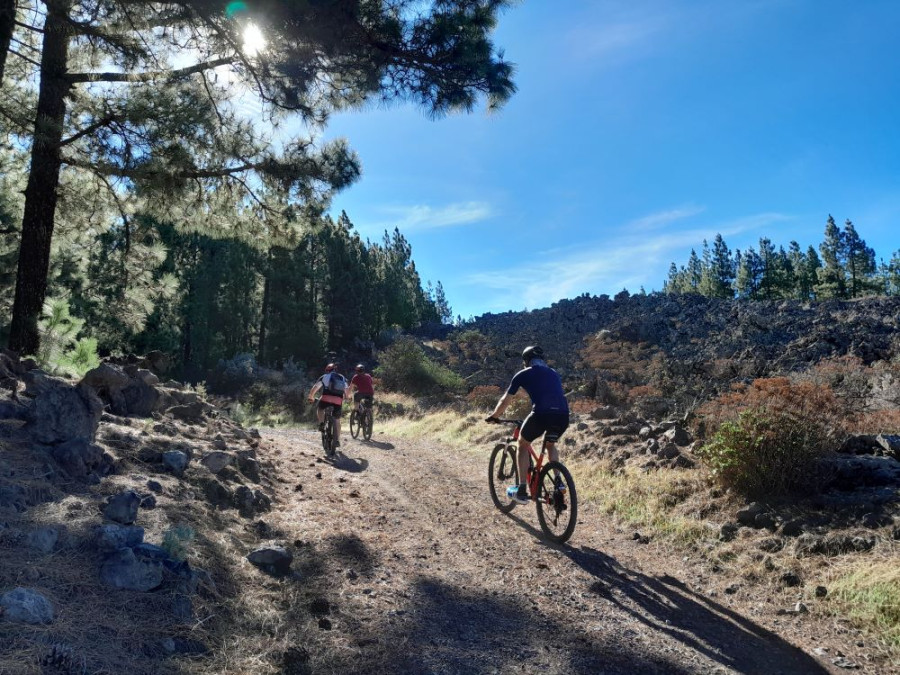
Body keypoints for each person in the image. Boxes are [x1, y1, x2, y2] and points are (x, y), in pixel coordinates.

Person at [486, 346, 569, 504]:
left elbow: (506, 400)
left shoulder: (524, 374)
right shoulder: (554, 373)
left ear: (526, 361)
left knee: (522, 444)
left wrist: (494, 416)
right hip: (563, 415)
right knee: (550, 445)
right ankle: (558, 481)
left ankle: (522, 490)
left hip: (541, 414)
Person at [307, 363, 349, 449]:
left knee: (320, 409)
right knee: (337, 420)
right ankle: (337, 440)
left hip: (326, 399)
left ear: (327, 370)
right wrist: (346, 398)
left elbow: (315, 387)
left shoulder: (324, 377)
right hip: (338, 401)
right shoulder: (342, 377)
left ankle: (322, 423)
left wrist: (311, 397)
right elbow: (347, 392)